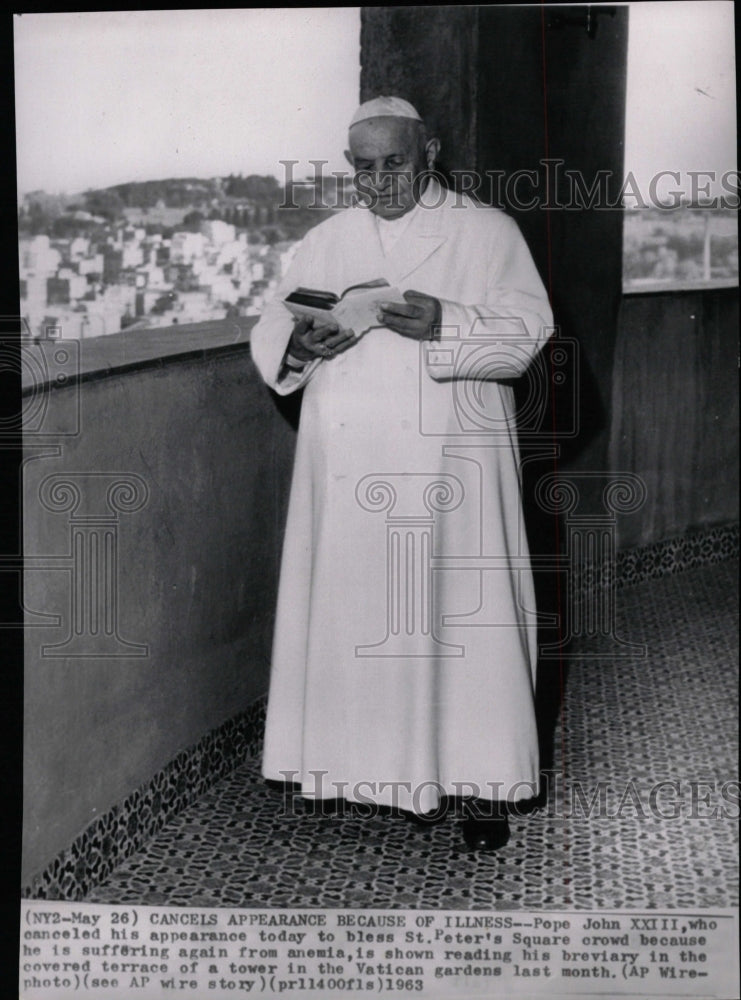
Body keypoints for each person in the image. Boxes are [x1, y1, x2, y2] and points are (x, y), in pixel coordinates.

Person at [250, 96, 554, 850]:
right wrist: (299, 346)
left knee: (459, 619)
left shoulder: (487, 233)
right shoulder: (328, 238)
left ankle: (479, 786)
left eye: (392, 163)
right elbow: (271, 321)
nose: (377, 180)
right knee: (364, 615)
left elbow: (529, 329)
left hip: (450, 451)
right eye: (362, 168)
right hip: (349, 456)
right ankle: (378, 775)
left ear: (428, 153)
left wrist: (446, 323)